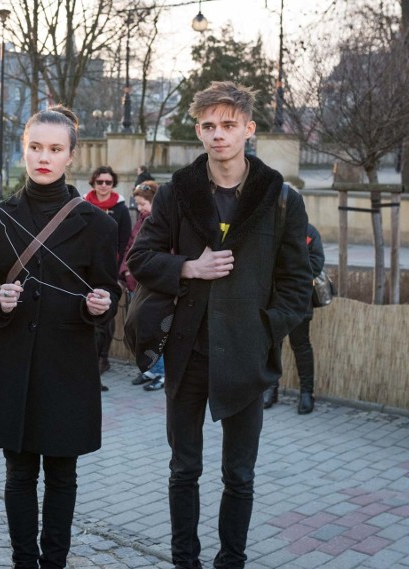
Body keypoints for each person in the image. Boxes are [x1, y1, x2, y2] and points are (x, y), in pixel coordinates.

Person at [127, 81, 312, 569]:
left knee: (240, 475)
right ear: (198, 130)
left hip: (246, 353)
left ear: (248, 129)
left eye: (228, 125)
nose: (218, 135)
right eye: (208, 126)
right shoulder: (176, 193)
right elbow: (140, 258)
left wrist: (265, 329)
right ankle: (184, 560)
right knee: (183, 469)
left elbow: (298, 282)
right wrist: (189, 267)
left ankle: (232, 560)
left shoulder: (280, 198)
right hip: (187, 351)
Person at [0, 105, 119, 569]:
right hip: (12, 361)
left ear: (71, 155)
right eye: (35, 147)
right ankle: (23, 562)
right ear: (24, 150)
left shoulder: (98, 224)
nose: (44, 157)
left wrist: (98, 304)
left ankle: (54, 562)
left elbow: (109, 288)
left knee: (62, 474)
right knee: (18, 473)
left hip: (67, 365)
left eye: (55, 149)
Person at [263, 223, 325, 414]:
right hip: (274, 299)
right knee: (274, 345)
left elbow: (316, 262)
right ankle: (271, 390)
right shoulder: (272, 228)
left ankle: (307, 394)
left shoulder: (309, 232)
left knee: (301, 346)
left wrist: (289, 270)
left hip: (299, 300)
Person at [83, 165, 131, 389]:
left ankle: (102, 358)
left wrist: (120, 271)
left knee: (105, 317)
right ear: (93, 182)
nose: (103, 186)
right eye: (100, 182)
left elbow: (125, 242)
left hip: (109, 270)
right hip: (84, 269)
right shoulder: (83, 205)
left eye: (108, 182)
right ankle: (88, 360)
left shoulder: (120, 209)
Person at [120, 181, 166, 391]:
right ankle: (149, 369)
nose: (139, 208)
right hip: (134, 282)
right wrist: (124, 270)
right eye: (137, 204)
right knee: (138, 327)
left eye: (143, 204)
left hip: (151, 286)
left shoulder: (162, 222)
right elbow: (131, 246)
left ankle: (161, 372)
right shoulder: (141, 220)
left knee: (155, 330)